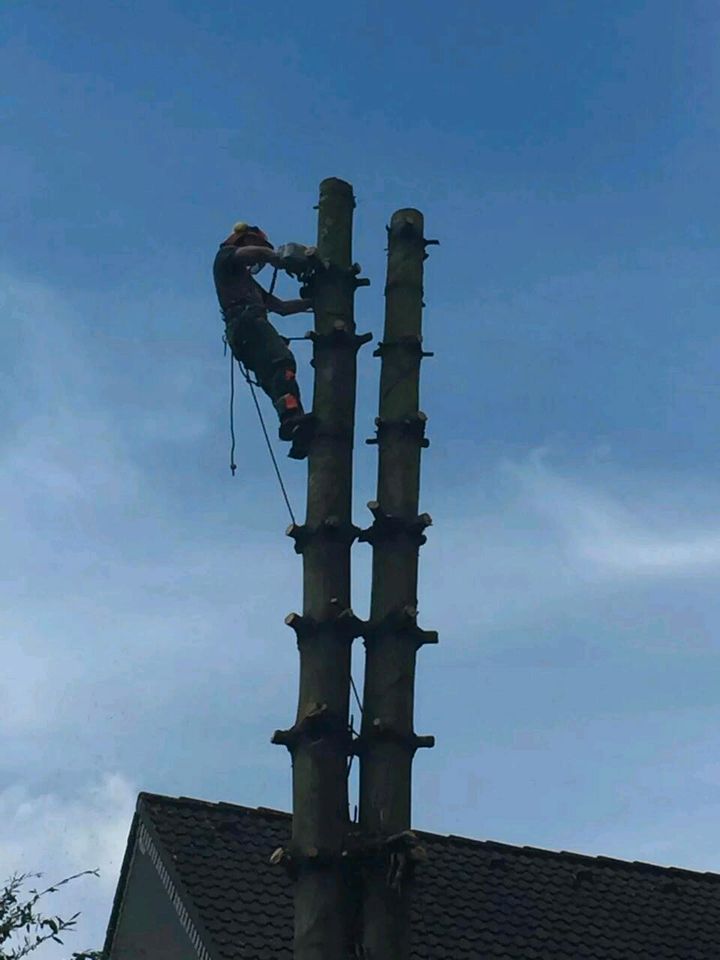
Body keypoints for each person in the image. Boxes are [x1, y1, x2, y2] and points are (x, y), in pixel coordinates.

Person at [213, 221, 314, 456]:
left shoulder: (247, 283)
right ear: (242, 241)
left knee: (273, 376)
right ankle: (293, 417)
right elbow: (255, 253)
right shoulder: (225, 259)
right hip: (247, 322)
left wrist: (314, 303)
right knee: (281, 361)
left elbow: (281, 307)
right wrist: (276, 256)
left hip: (244, 331)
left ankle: (294, 422)